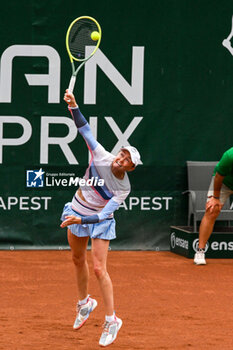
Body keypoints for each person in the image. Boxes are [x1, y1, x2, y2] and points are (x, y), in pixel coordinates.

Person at [60, 90, 141, 347]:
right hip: (76, 209)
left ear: (131, 168)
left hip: (97, 221)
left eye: (128, 160)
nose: (122, 158)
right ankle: (85, 303)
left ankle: (111, 319)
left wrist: (80, 222)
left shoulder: (123, 188)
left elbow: (104, 215)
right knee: (76, 259)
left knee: (98, 268)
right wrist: (74, 107)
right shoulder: (101, 155)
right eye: (123, 153)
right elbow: (85, 130)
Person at [194, 147, 233, 265]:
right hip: (224, 183)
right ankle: (200, 251)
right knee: (212, 209)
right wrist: (215, 198)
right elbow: (219, 176)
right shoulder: (230, 155)